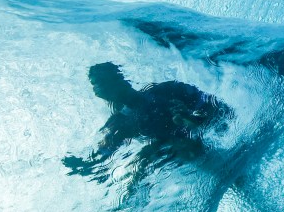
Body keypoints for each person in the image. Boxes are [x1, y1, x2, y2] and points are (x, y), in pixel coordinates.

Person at [63, 62, 232, 182]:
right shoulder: (120, 123)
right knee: (141, 160)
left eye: (97, 85)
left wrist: (192, 118)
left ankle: (190, 125)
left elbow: (220, 108)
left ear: (118, 80)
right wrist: (86, 164)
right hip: (173, 148)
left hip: (196, 138)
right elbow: (105, 151)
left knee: (176, 142)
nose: (95, 92)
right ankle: (127, 210)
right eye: (94, 86)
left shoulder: (165, 91)